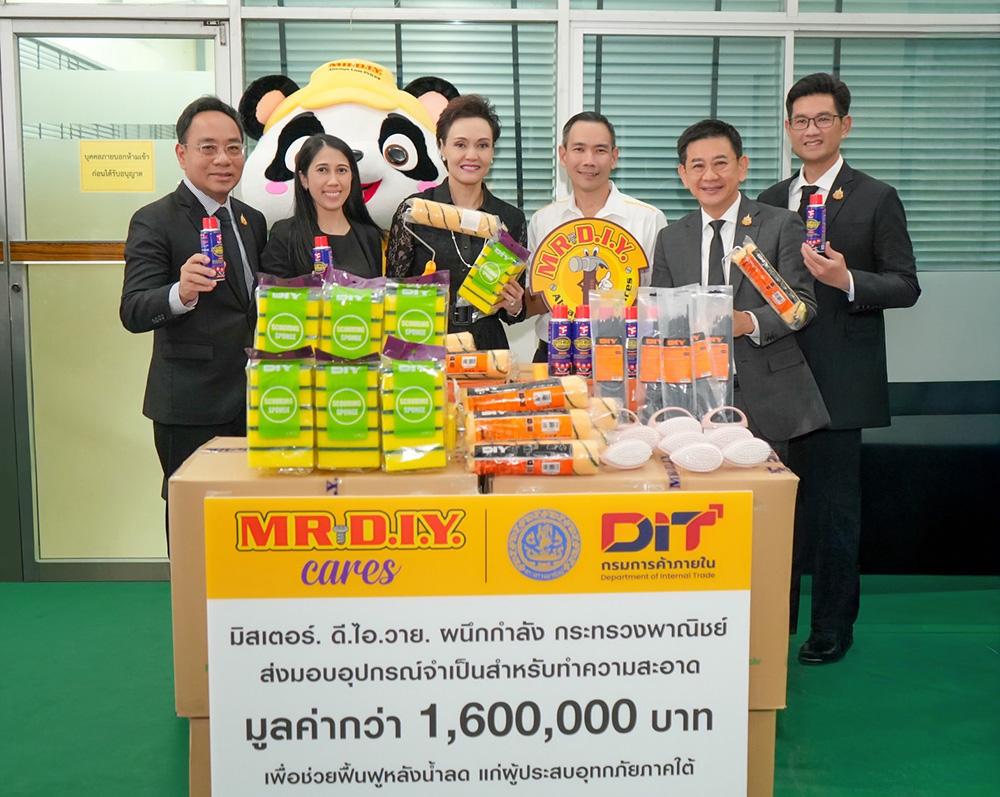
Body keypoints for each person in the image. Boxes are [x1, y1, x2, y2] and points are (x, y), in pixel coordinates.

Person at [758, 73, 920, 665]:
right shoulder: (770, 200)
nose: (811, 130)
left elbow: (905, 285)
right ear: (788, 129)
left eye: (823, 119)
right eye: (801, 121)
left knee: (832, 513)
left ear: (844, 125)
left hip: (838, 382)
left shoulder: (876, 197)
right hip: (773, 376)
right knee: (775, 511)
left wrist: (846, 278)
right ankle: (773, 624)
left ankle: (830, 627)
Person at [120, 96, 267, 512]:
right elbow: (133, 310)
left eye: (233, 147)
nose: (223, 159)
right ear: (182, 154)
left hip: (255, 403)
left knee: (248, 517)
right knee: (193, 518)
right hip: (191, 406)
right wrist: (180, 292)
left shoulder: (252, 220)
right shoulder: (155, 219)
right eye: (208, 148)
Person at [650, 119, 829, 454]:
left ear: (742, 167)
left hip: (764, 395)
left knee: (762, 486)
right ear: (683, 175)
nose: (710, 175)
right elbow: (662, 314)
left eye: (720, 163)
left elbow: (803, 307)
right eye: (698, 166)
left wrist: (748, 322)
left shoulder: (780, 224)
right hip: (692, 396)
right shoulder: (670, 238)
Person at [385, 94, 526, 350]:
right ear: (442, 147)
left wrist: (515, 305)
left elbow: (512, 313)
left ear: (492, 152)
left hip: (488, 349)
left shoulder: (510, 219)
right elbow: (392, 291)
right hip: (426, 345)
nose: (471, 155)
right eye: (460, 144)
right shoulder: (414, 212)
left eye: (482, 145)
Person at [527, 111, 667, 361]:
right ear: (563, 156)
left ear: (614, 157)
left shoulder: (648, 219)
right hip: (555, 352)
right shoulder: (543, 220)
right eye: (579, 149)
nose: (589, 160)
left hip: (624, 355)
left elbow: (661, 302)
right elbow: (533, 297)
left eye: (600, 150)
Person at [260, 133, 384, 279]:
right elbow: (271, 292)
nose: (333, 181)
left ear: (352, 176)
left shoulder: (369, 236)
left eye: (342, 170)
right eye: (322, 170)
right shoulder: (285, 235)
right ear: (303, 179)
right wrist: (310, 287)